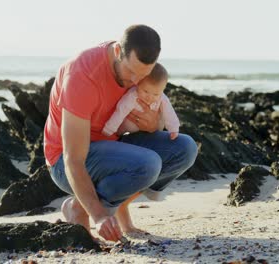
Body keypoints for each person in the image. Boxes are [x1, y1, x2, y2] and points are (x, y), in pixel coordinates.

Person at [44, 25, 198, 242]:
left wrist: (155, 122)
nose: (135, 82)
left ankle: (109, 208)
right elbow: (73, 159)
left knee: (184, 149)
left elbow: (156, 123)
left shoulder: (139, 72)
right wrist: (98, 217)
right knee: (147, 163)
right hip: (64, 162)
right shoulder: (82, 75)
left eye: (142, 74)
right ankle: (81, 211)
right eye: (131, 72)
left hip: (114, 148)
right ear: (117, 51)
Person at [102, 63, 180, 140]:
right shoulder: (132, 96)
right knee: (121, 126)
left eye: (156, 94)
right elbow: (120, 111)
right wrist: (110, 129)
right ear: (138, 84)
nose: (149, 97)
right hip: (128, 128)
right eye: (146, 91)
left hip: (151, 130)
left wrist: (174, 129)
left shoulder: (162, 98)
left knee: (163, 116)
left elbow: (169, 113)